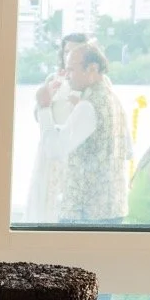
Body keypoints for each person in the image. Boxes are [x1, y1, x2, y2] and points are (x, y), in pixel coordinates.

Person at [35, 43, 132, 224]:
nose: (67, 76)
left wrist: (44, 108)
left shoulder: (89, 106)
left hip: (84, 214)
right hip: (114, 210)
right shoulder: (114, 99)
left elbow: (54, 150)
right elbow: (129, 151)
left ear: (92, 69)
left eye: (71, 69)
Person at [24, 33, 90, 221]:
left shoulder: (88, 83)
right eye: (66, 51)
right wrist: (46, 99)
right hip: (49, 146)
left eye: (75, 51)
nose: (69, 55)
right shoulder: (53, 79)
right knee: (45, 197)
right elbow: (38, 115)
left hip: (74, 151)